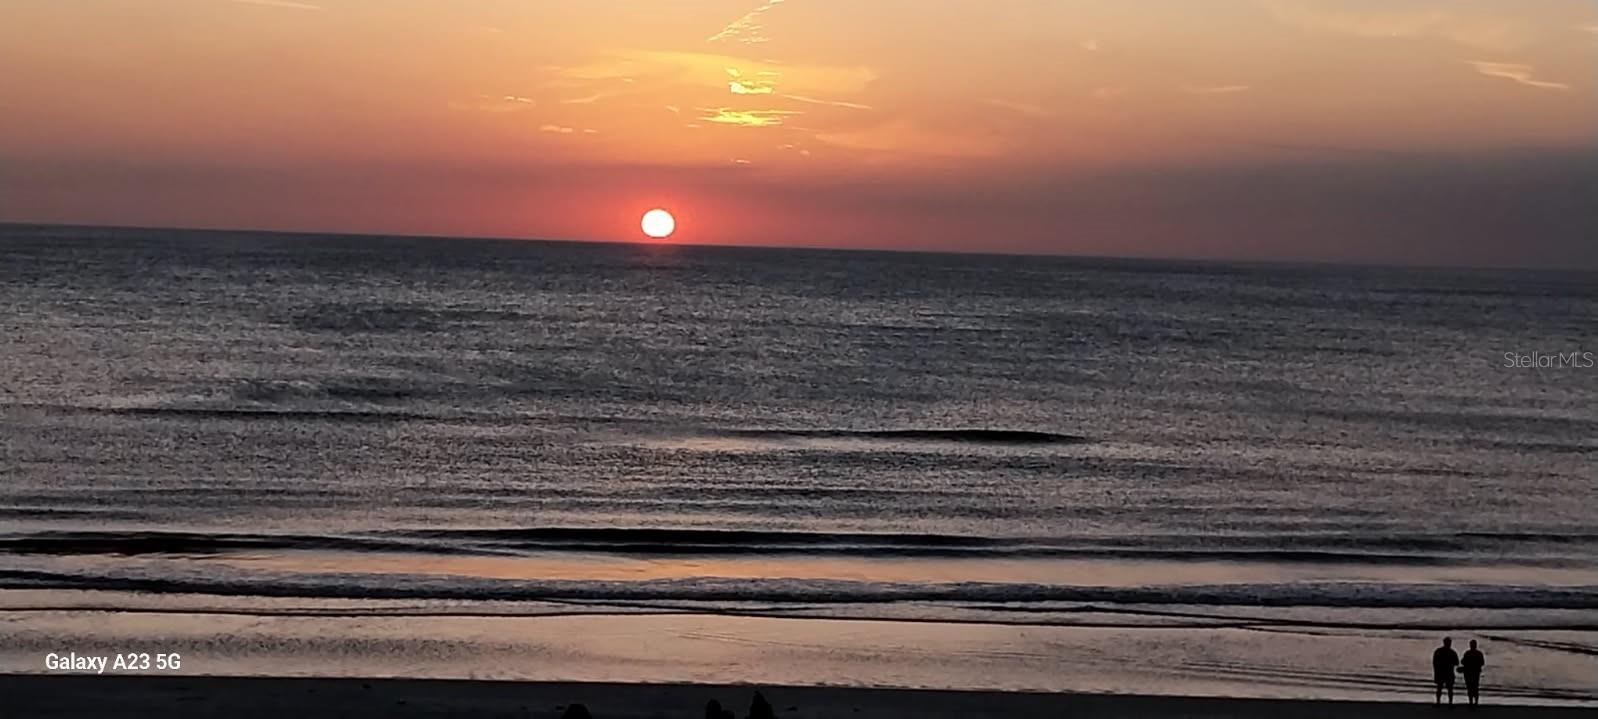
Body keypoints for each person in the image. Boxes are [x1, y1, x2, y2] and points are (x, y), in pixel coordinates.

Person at [1432, 637, 1459, 706]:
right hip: (1446, 672)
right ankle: (1448, 703)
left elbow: (1434, 663)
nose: (1449, 644)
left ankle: (1440, 702)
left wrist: (1436, 671)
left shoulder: (1439, 651)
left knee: (1442, 688)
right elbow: (1456, 663)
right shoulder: (1452, 652)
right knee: (1445, 688)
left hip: (1443, 672)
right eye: (1448, 642)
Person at [1460, 640, 1486, 707]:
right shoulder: (1478, 653)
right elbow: (1482, 663)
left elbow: (1462, 662)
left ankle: (1471, 702)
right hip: (1475, 673)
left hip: (1469, 673)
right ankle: (1475, 702)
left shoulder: (1467, 653)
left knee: (1470, 688)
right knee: (1475, 687)